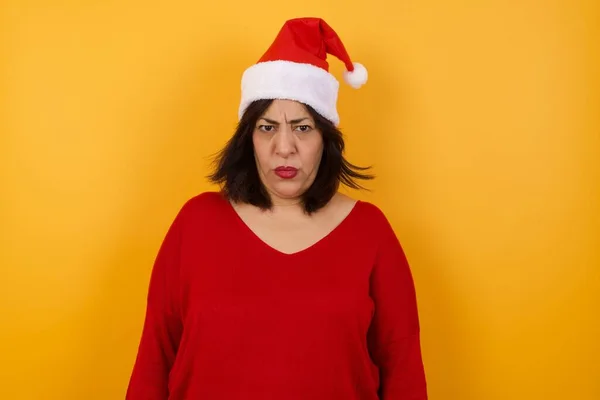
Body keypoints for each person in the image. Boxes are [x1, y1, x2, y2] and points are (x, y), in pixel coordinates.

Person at [126, 17, 428, 400]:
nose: (284, 147)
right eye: (267, 127)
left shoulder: (371, 232)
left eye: (302, 128)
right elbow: (154, 359)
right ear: (247, 138)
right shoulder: (196, 223)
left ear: (326, 138)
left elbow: (404, 372)